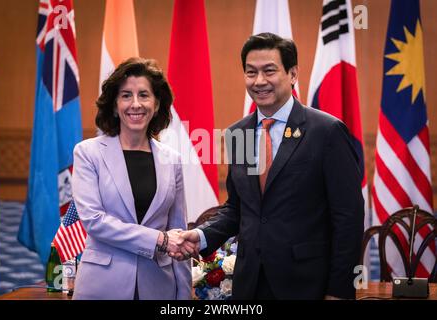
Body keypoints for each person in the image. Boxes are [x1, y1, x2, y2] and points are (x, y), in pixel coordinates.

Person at [177, 33, 365, 300]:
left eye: (269, 71)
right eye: (251, 72)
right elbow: (238, 207)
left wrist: (338, 290)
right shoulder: (236, 133)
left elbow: (348, 217)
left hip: (308, 284)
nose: (259, 81)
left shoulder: (327, 132)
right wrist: (202, 235)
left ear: (292, 74)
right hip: (249, 283)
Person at [71, 57, 192, 300]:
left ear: (157, 104)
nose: (135, 104)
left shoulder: (173, 159)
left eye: (144, 95)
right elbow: (95, 221)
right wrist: (158, 239)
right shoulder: (88, 153)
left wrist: (184, 294)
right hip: (102, 287)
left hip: (159, 287)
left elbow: (177, 230)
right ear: (114, 105)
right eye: (126, 95)